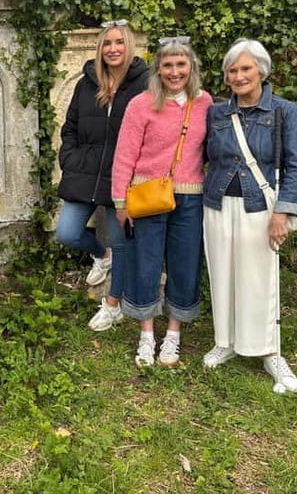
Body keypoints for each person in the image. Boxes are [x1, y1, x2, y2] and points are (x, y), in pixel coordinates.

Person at [202, 39, 297, 392]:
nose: (238, 76)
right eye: (232, 70)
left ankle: (270, 351)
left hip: (260, 209)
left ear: (261, 70)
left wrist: (282, 213)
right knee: (222, 275)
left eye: (245, 68)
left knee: (260, 280)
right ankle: (226, 341)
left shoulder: (284, 111)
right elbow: (203, 157)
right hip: (217, 205)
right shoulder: (216, 113)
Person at [111, 37, 213, 367]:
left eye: (181, 64)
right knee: (146, 264)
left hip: (190, 197)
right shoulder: (141, 104)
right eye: (167, 65)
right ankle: (146, 335)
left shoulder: (204, 103)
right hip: (147, 195)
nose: (174, 71)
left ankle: (173, 335)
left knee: (185, 264)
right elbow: (124, 155)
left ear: (191, 67)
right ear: (158, 69)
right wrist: (120, 202)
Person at [56, 20, 149, 332]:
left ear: (129, 45)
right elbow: (70, 127)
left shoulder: (144, 83)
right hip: (84, 171)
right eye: (107, 43)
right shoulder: (87, 83)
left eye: (119, 42)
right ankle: (101, 254)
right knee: (67, 233)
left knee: (121, 243)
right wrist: (70, 158)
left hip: (123, 176)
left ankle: (113, 305)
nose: (113, 48)